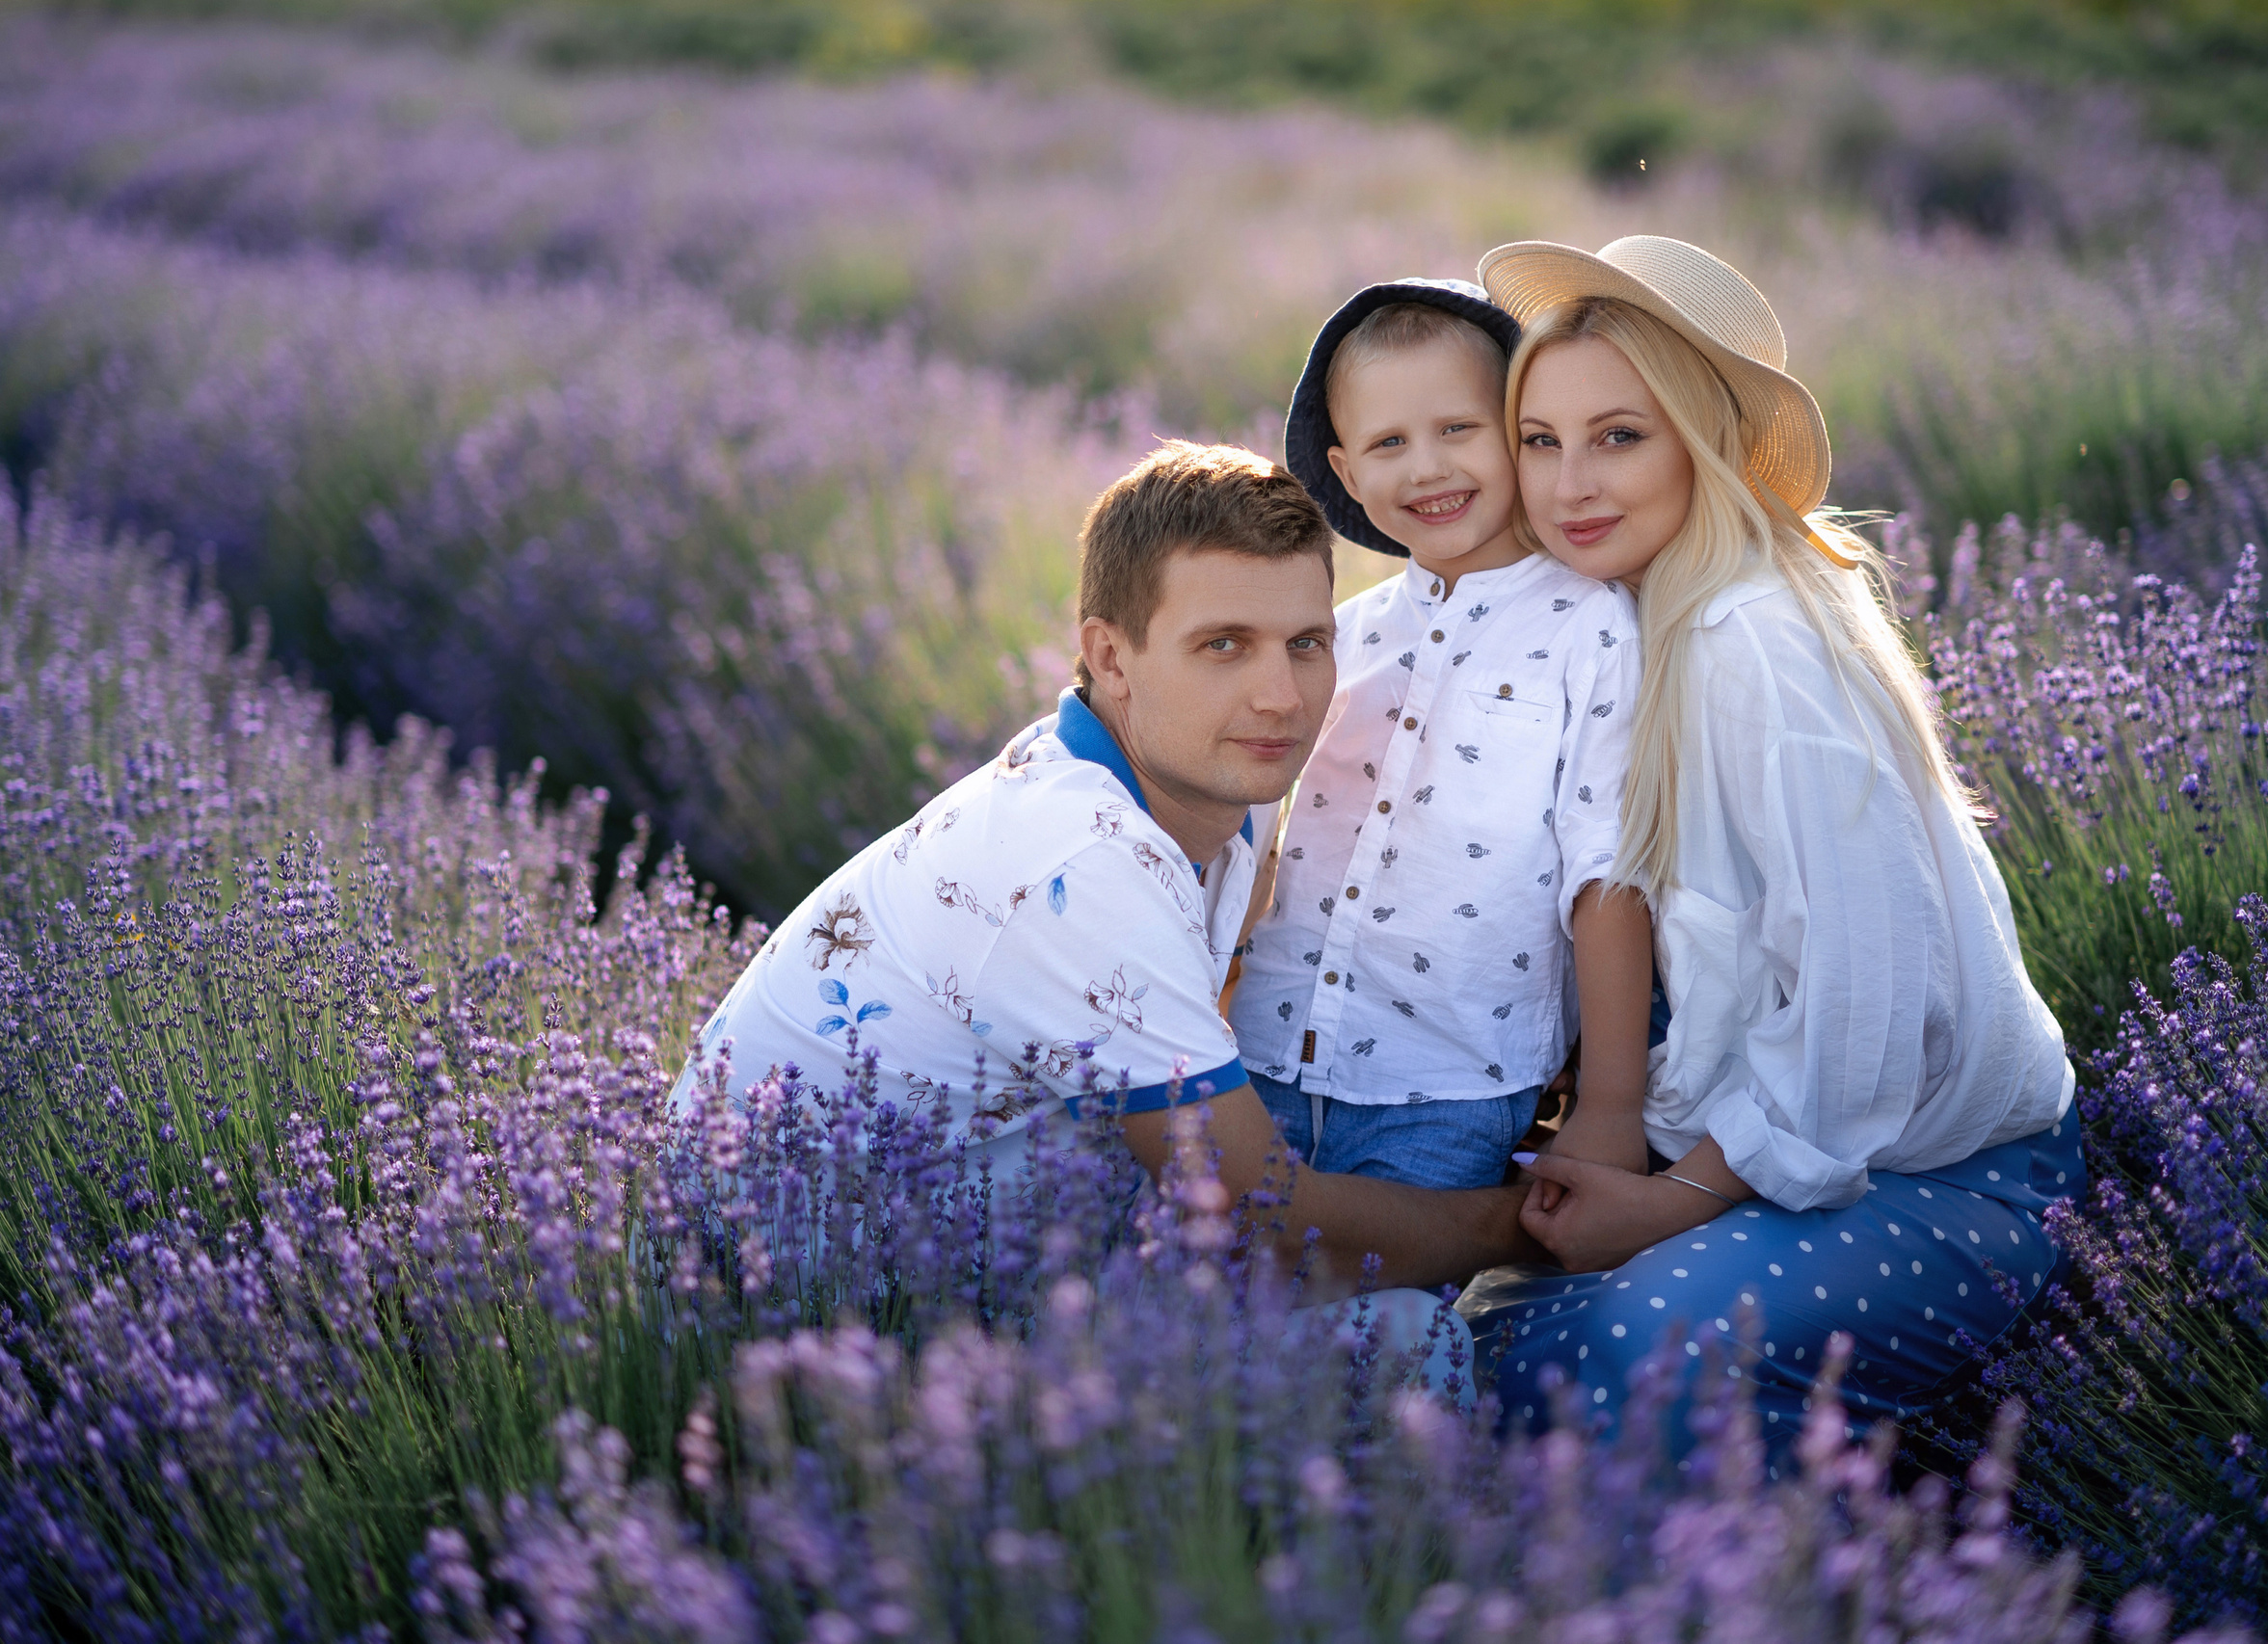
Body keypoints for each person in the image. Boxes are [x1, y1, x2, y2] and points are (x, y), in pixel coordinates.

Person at [1454, 236, 2084, 1445]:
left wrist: (1671, 1202)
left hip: (1943, 1181)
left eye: (1619, 436)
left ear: (1703, 442)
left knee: (1638, 1354)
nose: (1569, 483)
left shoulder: (1753, 638)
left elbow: (1867, 1001)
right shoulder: (1626, 618)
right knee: (1466, 1348)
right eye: (1540, 439)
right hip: (1766, 1156)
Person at [678, 438, 1540, 1313]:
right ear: (1112, 657)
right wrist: (1527, 1225)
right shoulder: (1081, 864)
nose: (1282, 696)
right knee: (1402, 1341)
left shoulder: (1208, 786)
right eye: (1224, 645)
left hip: (972, 1275)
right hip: (778, 1315)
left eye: (1307, 643)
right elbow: (1266, 1226)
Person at [1231, 278, 1659, 1192]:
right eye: (1389, 443)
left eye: (1458, 429)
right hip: (1265, 1052)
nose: (1426, 468)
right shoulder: (1341, 632)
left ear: (1518, 436)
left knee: (1391, 1282)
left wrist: (1611, 1106)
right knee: (1212, 1270)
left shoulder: (1590, 629)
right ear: (1347, 473)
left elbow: (1607, 874)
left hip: (1453, 1084)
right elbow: (1256, 830)